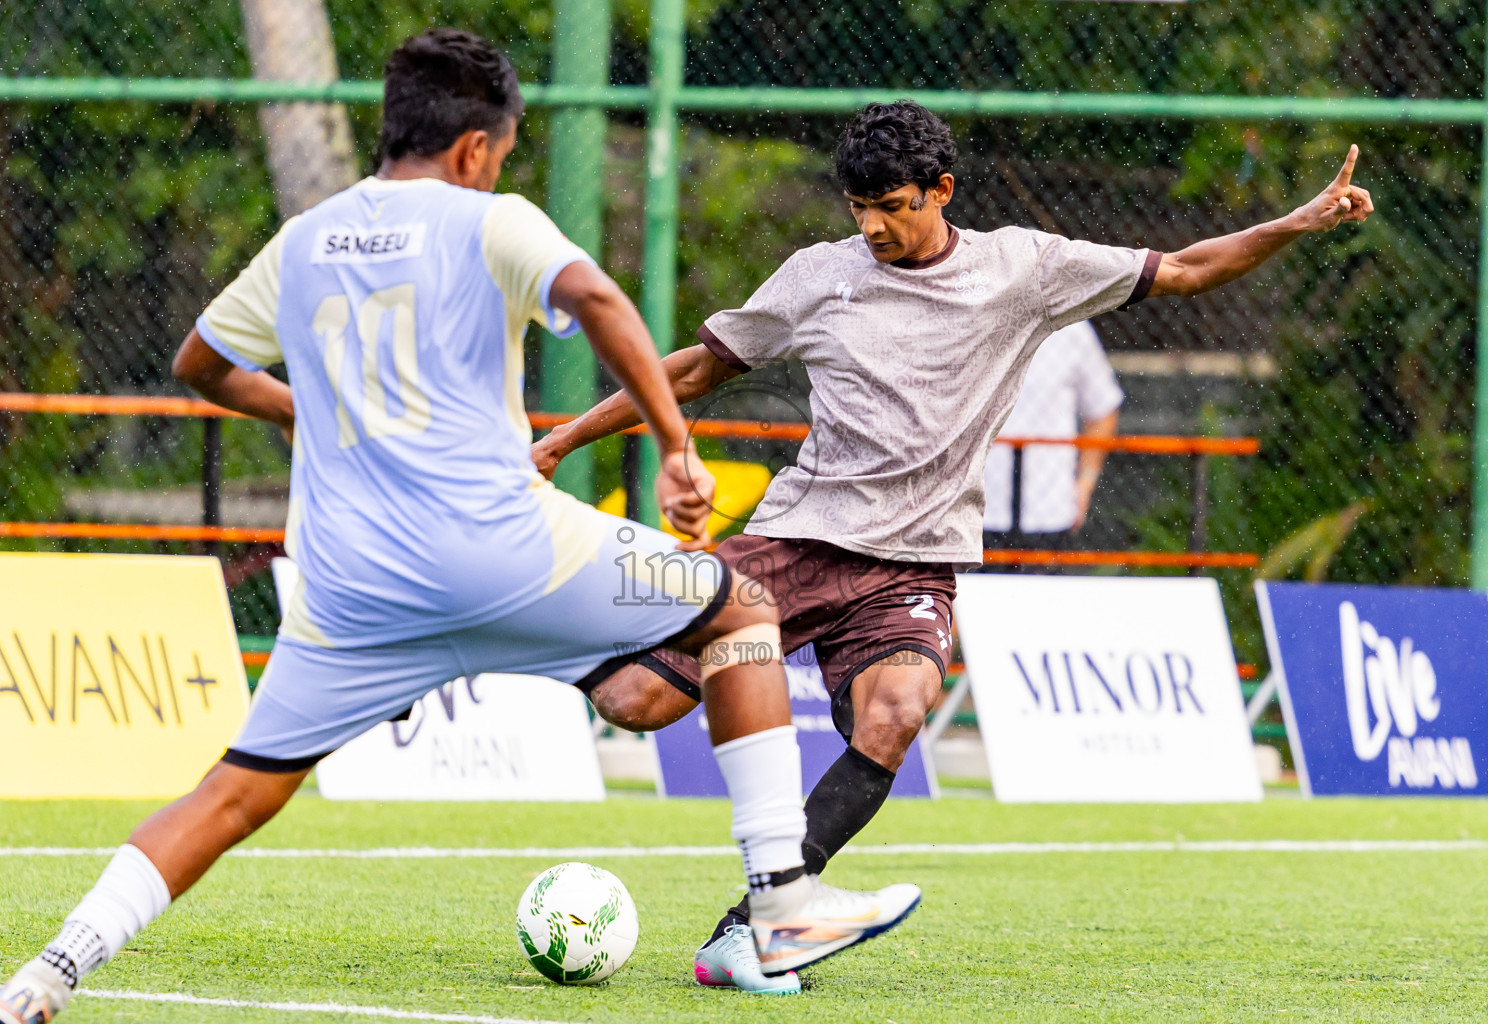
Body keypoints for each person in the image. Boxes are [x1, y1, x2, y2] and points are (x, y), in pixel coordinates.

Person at [0, 31, 919, 1024]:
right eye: (504, 154)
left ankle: (51, 969)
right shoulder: (492, 220)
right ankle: (778, 905)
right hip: (505, 552)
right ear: (477, 147)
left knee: (232, 795)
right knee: (739, 607)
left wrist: (306, 407)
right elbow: (597, 298)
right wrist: (671, 444)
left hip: (351, 591)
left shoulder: (305, 239)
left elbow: (201, 363)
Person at [532, 100, 1374, 993]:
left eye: (891, 205)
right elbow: (698, 367)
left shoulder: (1025, 269)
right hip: (799, 543)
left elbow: (1190, 269)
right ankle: (506, 621)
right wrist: (561, 440)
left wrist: (1297, 221)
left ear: (940, 190)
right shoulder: (819, 276)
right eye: (859, 206)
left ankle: (753, 929)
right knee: (634, 703)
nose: (873, 226)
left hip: (916, 564)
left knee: (895, 715)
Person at [981, 318, 1123, 553]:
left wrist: (1084, 485)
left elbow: (1103, 409)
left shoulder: (1072, 328)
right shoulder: (972, 320)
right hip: (973, 513)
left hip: (1048, 512)